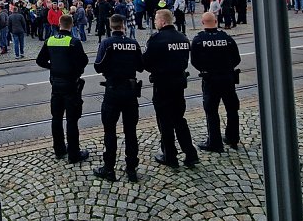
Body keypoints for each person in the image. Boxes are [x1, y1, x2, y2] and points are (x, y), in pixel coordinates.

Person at [143, 9, 199, 169]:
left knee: (165, 121)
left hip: (162, 84)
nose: (154, 22)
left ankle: (170, 155)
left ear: (163, 21)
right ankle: (190, 153)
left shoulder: (156, 39)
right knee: (179, 119)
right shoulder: (183, 37)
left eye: (155, 19)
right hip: (179, 83)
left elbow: (145, 62)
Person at [93, 14, 144, 183]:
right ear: (123, 26)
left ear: (110, 26)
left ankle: (109, 169)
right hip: (130, 92)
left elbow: (98, 66)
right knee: (131, 131)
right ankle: (131, 169)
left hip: (113, 91)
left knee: (110, 131)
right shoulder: (133, 43)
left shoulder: (106, 43)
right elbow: (141, 66)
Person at [36, 14, 90, 164]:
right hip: (71, 85)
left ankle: (59, 149)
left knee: (56, 118)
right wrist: (75, 70)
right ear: (71, 25)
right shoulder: (74, 42)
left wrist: (52, 67)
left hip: (56, 85)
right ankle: (74, 153)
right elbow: (84, 61)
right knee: (72, 120)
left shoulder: (50, 40)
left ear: (59, 25)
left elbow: (40, 60)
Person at [190, 12, 241, 153]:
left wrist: (205, 68)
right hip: (228, 78)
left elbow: (194, 61)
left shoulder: (199, 40)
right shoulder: (227, 38)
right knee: (232, 108)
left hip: (210, 79)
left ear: (202, 23)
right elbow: (237, 59)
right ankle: (233, 137)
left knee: (211, 111)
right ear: (216, 21)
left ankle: (215, 142)